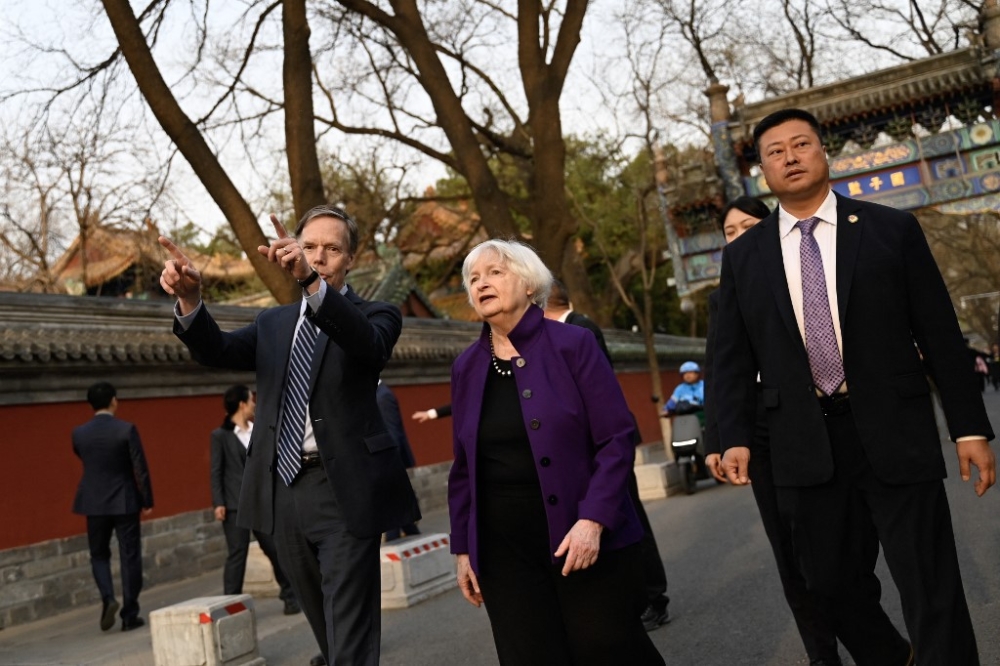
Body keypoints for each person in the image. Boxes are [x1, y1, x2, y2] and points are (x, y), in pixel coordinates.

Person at [714, 107, 995, 664]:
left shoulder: (892, 230)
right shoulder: (745, 255)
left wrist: (968, 427)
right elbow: (729, 355)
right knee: (827, 584)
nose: (790, 157)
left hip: (894, 429)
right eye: (775, 151)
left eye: (801, 144)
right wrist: (732, 433)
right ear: (761, 173)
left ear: (824, 152)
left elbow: (938, 331)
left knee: (929, 581)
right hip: (802, 441)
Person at [159, 205, 421, 666]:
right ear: (295, 247)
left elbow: (367, 345)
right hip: (282, 493)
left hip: (344, 490)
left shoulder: (376, 315)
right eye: (310, 246)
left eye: (332, 249)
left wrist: (311, 283)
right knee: (322, 621)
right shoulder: (273, 324)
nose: (318, 256)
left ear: (350, 259)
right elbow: (216, 350)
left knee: (351, 625)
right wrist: (191, 300)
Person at [704, 195, 911, 666]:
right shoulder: (726, 293)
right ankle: (824, 656)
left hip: (822, 416)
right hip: (759, 429)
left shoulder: (813, 271)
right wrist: (719, 438)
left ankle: (880, 644)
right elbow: (724, 367)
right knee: (795, 558)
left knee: (845, 551)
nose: (739, 239)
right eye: (729, 233)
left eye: (749, 227)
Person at [448, 239, 663, 665]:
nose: (481, 284)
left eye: (495, 272)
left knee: (605, 646)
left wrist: (593, 520)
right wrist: (463, 548)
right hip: (503, 548)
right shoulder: (466, 367)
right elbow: (464, 467)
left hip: (578, 531)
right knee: (528, 654)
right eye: (474, 278)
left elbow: (616, 437)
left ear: (530, 285)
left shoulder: (574, 344)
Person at [543, 278, 671, 632]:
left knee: (630, 516)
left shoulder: (581, 329)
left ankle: (653, 597)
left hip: (607, 444)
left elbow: (597, 392)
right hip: (585, 450)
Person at [72, 381, 153, 632]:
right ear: (114, 401)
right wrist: (147, 499)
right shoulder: (126, 429)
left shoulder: (79, 433)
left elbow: (82, 457)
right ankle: (130, 614)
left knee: (98, 554)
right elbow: (139, 467)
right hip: (125, 500)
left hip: (93, 501)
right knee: (129, 555)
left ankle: (108, 597)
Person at [210, 385, 300, 615]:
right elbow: (216, 470)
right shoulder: (220, 436)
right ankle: (230, 605)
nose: (254, 405)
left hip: (262, 501)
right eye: (251, 400)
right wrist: (218, 502)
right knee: (237, 554)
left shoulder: (258, 430)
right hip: (233, 505)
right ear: (242, 404)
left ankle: (291, 597)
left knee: (274, 549)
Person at [376, 381, 421, 541]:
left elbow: (392, 432)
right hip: (388, 461)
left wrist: (388, 463)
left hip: (391, 461)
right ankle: (408, 534)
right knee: (398, 507)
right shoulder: (378, 394)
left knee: (392, 506)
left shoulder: (383, 396)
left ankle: (395, 538)